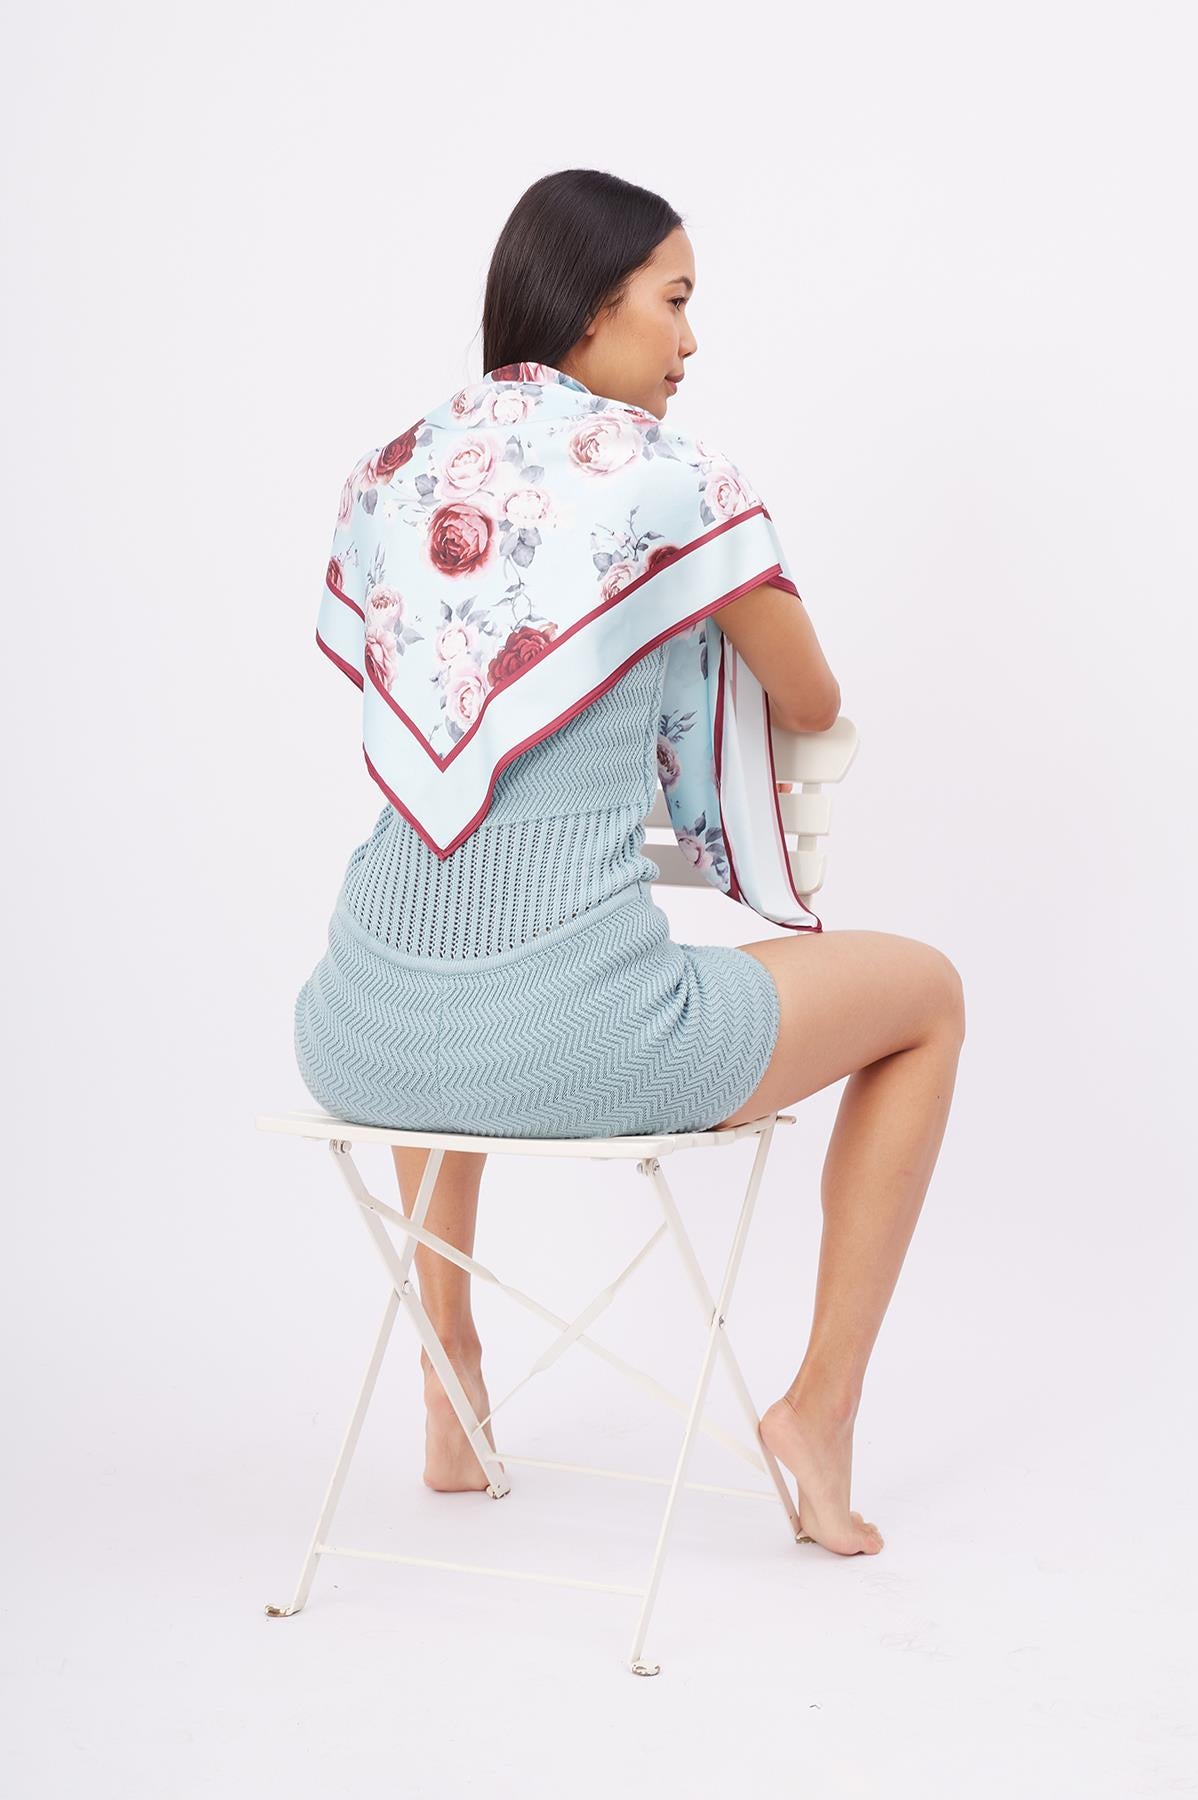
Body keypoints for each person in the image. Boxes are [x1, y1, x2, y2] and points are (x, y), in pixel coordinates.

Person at [295, 169, 966, 1557]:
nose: (691, 341)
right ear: (594, 308)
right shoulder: (670, 478)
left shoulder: (394, 469)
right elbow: (813, 700)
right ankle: (819, 1417)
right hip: (587, 1037)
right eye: (676, 300)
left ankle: (449, 1368)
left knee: (455, 962)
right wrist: (687, 619)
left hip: (356, 1028)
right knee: (930, 998)